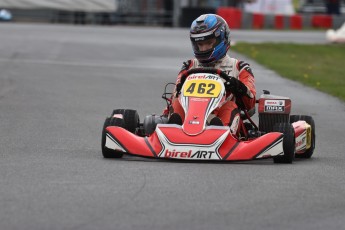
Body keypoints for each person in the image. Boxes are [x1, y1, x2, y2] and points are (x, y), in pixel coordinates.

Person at [168, 14, 256, 135]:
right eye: (200, 44)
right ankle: (173, 131)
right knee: (177, 103)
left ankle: (219, 132)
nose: (203, 49)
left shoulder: (239, 67)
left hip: (221, 115)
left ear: (222, 38)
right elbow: (174, 96)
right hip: (190, 115)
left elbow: (250, 106)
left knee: (229, 106)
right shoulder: (189, 66)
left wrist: (238, 87)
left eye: (208, 43)